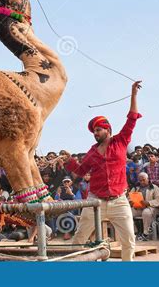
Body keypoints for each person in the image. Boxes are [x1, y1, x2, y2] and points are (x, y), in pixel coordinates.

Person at [61, 81, 142, 261]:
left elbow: (132, 118)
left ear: (108, 129)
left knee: (129, 240)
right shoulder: (91, 152)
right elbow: (81, 171)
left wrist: (133, 94)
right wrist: (69, 161)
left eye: (98, 130)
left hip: (119, 200)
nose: (95, 133)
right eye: (94, 131)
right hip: (95, 201)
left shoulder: (121, 141)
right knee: (79, 238)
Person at [129, 172, 159, 241]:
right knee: (128, 213)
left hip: (150, 208)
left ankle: (146, 234)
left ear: (148, 179)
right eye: (140, 180)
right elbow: (129, 198)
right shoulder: (135, 188)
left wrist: (148, 203)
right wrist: (131, 202)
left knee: (146, 212)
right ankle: (135, 232)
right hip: (138, 208)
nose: (142, 182)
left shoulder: (154, 187)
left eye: (144, 180)